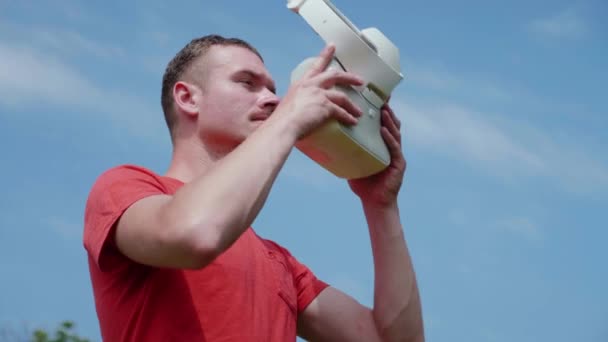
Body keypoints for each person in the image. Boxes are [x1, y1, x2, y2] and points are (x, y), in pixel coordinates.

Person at [83, 34, 424, 342]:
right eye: (247, 83)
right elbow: (195, 235)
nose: (272, 100)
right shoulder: (124, 188)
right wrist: (289, 119)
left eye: (274, 91)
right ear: (188, 98)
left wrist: (381, 207)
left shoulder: (281, 265)